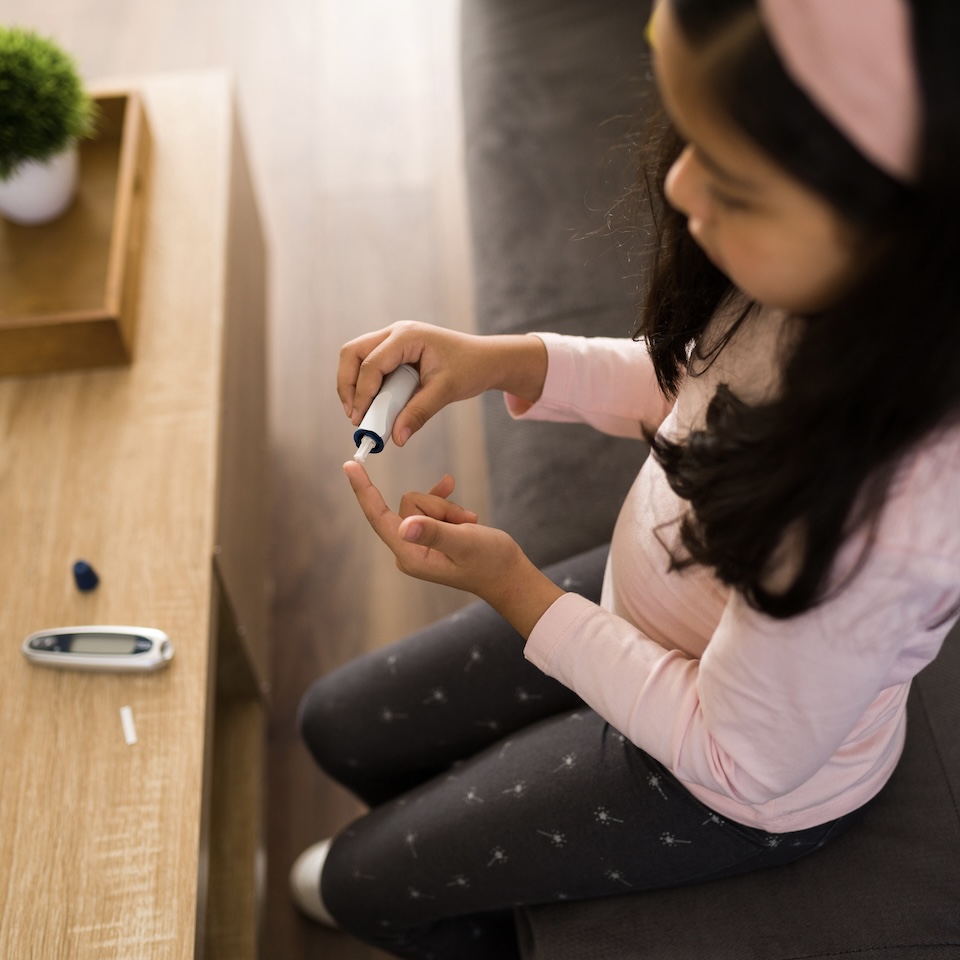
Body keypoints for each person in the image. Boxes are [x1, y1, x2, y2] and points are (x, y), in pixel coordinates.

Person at [291, 1, 960, 957]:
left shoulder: (882, 531)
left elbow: (737, 756)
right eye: (691, 136)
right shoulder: (812, 288)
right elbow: (697, 384)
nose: (680, 186)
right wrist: (503, 360)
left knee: (359, 885)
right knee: (336, 726)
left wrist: (517, 591)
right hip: (654, 606)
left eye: (733, 179)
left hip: (721, 777)